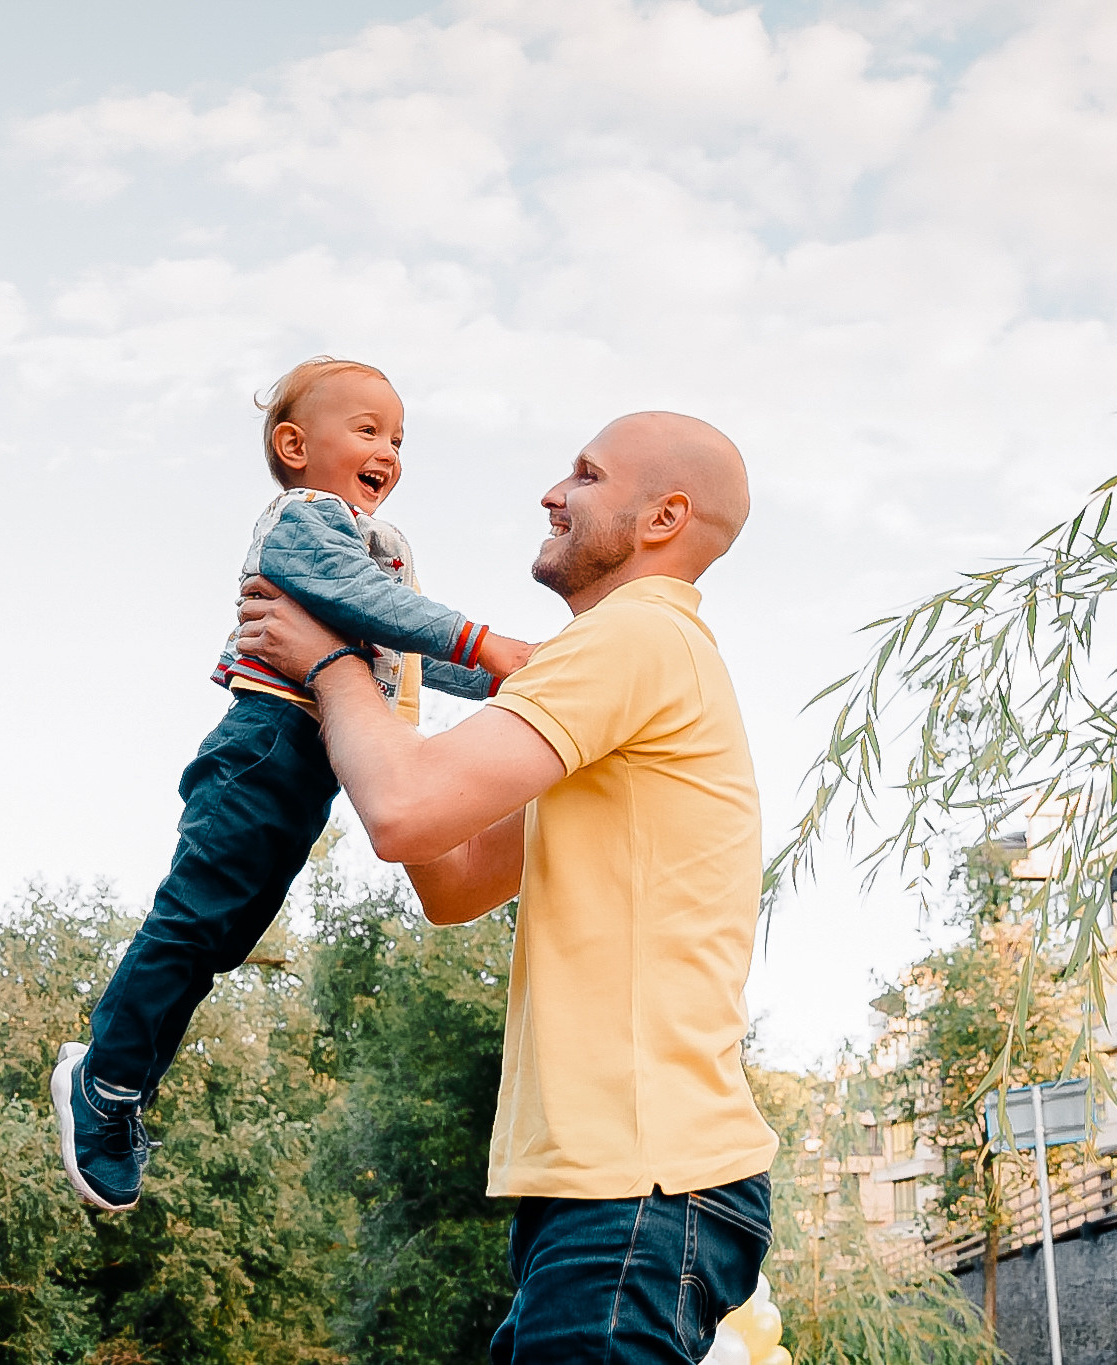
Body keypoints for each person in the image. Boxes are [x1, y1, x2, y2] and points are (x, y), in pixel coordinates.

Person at [235, 411, 777, 1364]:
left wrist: (323, 664)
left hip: (639, 1184)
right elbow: (450, 876)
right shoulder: (641, 668)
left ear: (663, 519)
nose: (552, 493)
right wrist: (380, 664)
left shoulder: (633, 640)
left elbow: (401, 806)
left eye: (585, 475)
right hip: (609, 1188)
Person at [52, 357, 536, 1212]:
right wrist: (492, 645)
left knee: (221, 937)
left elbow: (404, 653)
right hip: (265, 742)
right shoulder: (305, 520)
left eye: (397, 436)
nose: (387, 448)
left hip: (310, 766)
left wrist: (505, 680)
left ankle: (116, 1080)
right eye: (367, 429)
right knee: (195, 919)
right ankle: (106, 1081)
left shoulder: (373, 548)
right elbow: (372, 607)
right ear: (294, 444)